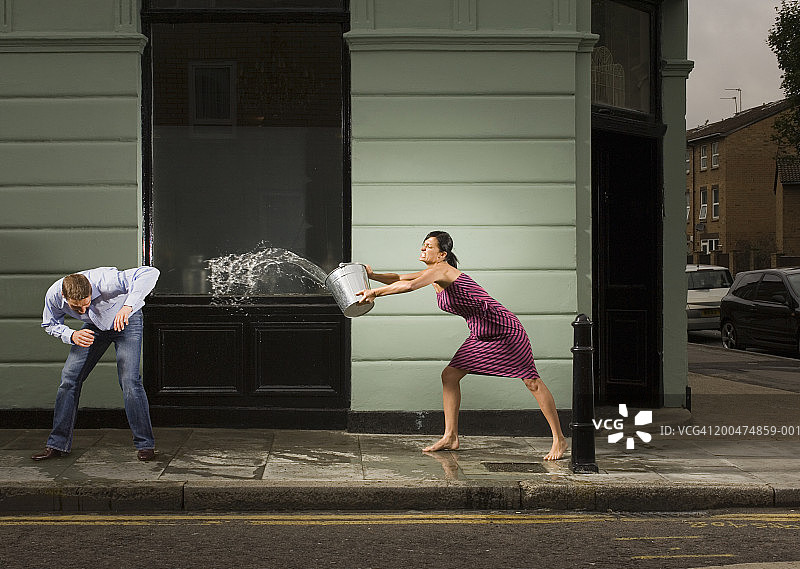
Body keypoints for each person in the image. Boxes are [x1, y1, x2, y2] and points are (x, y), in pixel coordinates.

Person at [357, 231, 568, 460]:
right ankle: (450, 436)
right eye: (423, 245)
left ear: (442, 254)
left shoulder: (442, 270)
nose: (423, 249)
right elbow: (400, 278)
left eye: (428, 246)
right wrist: (373, 275)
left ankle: (559, 440)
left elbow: (409, 287)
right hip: (480, 333)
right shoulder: (432, 272)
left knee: (531, 381)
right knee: (449, 375)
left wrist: (374, 293)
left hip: (505, 329)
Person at [32, 266, 160, 462]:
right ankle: (57, 445)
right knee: (69, 379)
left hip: (126, 321)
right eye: (76, 308)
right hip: (93, 327)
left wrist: (128, 306)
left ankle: (145, 445)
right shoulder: (54, 295)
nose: (82, 310)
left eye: (86, 304)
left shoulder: (106, 280)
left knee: (130, 381)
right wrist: (72, 334)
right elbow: (49, 323)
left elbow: (150, 272)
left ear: (92, 290)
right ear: (64, 296)